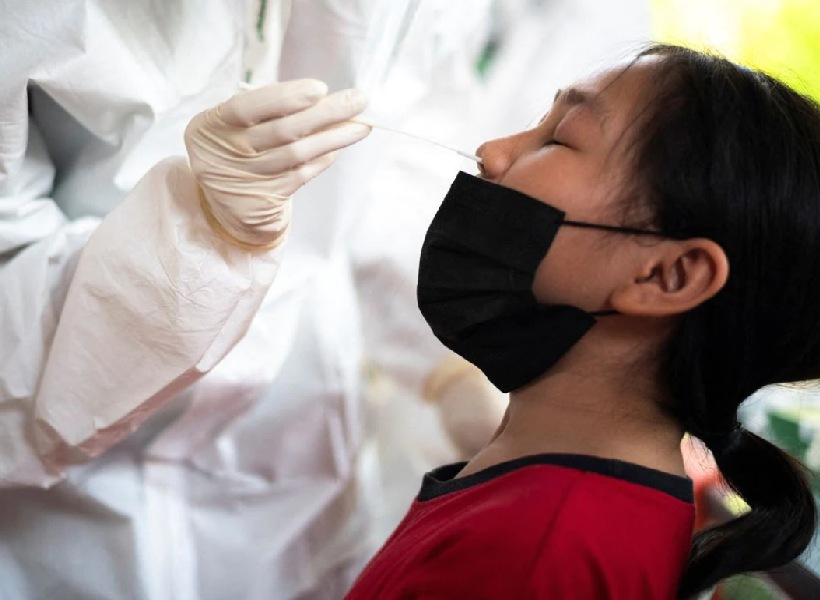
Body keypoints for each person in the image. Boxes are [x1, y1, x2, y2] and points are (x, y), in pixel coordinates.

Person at [0, 1, 506, 598]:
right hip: (65, 518)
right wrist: (196, 237)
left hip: (303, 488)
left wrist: (444, 365)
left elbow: (394, 174)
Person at [344, 43, 820, 599]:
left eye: (558, 138)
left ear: (667, 277)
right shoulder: (554, 510)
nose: (492, 152)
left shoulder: (535, 549)